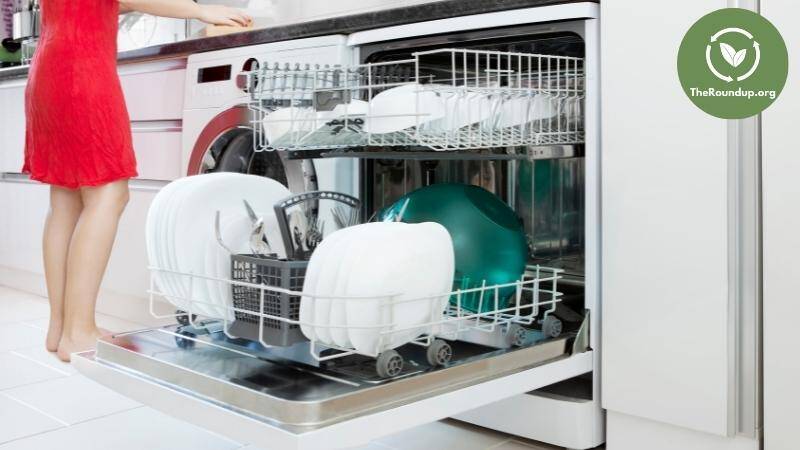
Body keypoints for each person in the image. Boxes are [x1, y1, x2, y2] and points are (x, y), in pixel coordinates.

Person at [23, 0, 251, 362]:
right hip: (82, 71)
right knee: (108, 195)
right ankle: (78, 330)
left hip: (50, 67)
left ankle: (61, 327)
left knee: (65, 199)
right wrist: (199, 10)